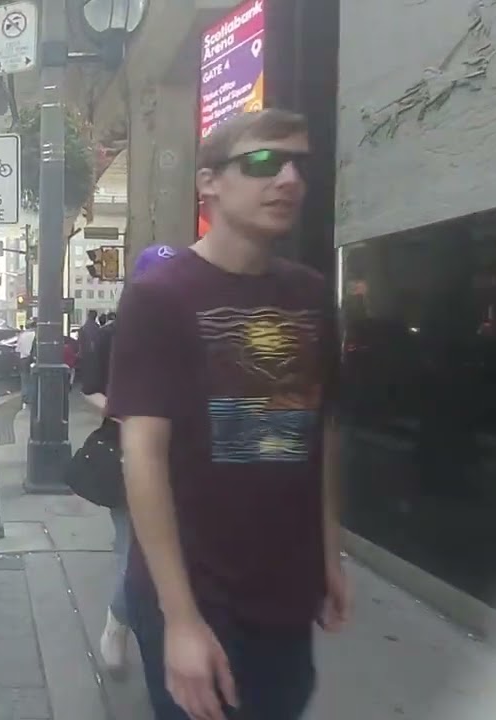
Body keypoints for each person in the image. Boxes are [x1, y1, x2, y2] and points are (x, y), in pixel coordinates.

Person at [107, 109, 350, 720]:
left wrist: (328, 554)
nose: (289, 179)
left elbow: (319, 431)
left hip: (287, 588)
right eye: (264, 162)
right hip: (197, 591)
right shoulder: (160, 295)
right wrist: (180, 619)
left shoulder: (312, 293)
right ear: (208, 183)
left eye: (301, 164)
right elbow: (143, 456)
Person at [80, 245, 180, 673]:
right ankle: (119, 620)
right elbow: (89, 388)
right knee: (131, 558)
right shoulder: (111, 335)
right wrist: (125, 409)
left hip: (185, 461)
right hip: (128, 457)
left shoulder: (197, 333)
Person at [16, 320, 37, 406]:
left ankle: (25, 397)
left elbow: (18, 349)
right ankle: (32, 397)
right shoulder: (35, 335)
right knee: (33, 379)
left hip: (23, 358)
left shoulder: (22, 335)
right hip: (33, 359)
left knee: (24, 379)